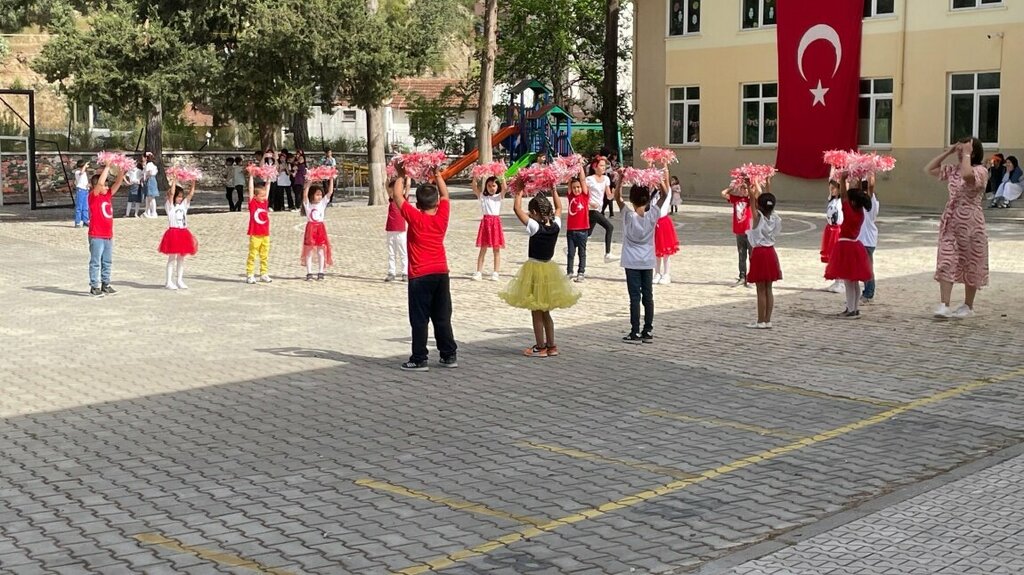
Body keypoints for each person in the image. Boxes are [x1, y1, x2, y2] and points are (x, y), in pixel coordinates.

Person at [499, 186, 580, 358]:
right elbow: (559, 208)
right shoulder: (556, 225)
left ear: (535, 212)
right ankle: (552, 345)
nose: (529, 214)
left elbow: (516, 209)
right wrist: (554, 190)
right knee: (546, 311)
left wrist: (519, 191)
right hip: (549, 268)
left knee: (536, 310)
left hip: (535, 269)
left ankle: (540, 346)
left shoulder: (535, 226)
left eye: (530, 212)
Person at [391, 163, 458, 372]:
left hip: (420, 275)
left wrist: (401, 174)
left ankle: (419, 358)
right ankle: (448, 355)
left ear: (418, 204)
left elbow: (397, 197)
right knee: (442, 316)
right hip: (441, 272)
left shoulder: (416, 217)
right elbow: (446, 196)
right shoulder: (442, 216)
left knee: (419, 319)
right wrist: (437, 174)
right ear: (436, 202)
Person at [925, 137, 989, 319]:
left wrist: (968, 154)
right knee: (946, 259)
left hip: (971, 224)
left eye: (964, 150)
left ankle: (968, 305)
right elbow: (929, 168)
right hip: (951, 222)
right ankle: (944, 304)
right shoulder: (953, 170)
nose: (960, 153)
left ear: (973, 152)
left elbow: (968, 176)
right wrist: (949, 152)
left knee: (971, 262)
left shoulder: (981, 170)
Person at [613, 169, 669, 343]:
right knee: (648, 296)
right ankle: (648, 330)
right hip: (647, 261)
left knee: (634, 297)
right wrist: (658, 179)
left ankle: (634, 331)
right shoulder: (653, 214)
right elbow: (664, 195)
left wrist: (621, 179)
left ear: (633, 200)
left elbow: (617, 198)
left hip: (631, 261)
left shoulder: (628, 215)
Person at [823, 173, 874, 319]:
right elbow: (856, 195)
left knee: (849, 281)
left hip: (846, 246)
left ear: (852, 201)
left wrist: (843, 178)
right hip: (854, 245)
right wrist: (858, 180)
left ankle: (851, 309)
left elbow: (845, 195)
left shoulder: (849, 210)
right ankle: (854, 308)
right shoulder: (860, 212)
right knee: (854, 282)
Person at [86, 161, 127, 296]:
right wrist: (107, 167)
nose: (106, 187)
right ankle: (94, 286)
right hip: (96, 235)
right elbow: (99, 184)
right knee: (96, 261)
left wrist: (122, 171)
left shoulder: (107, 196)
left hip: (108, 235)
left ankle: (106, 284)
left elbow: (117, 184)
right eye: (104, 185)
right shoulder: (94, 197)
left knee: (107, 261)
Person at [745, 187, 782, 329]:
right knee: (769, 289)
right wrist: (767, 183)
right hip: (771, 253)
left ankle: (760, 321)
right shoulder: (774, 218)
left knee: (760, 289)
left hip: (760, 253)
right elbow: (767, 198)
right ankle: (768, 319)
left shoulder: (757, 218)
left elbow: (753, 200)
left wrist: (750, 187)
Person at [158, 174, 198, 290]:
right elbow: (171, 193)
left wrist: (193, 182)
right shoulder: (170, 206)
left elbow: (191, 194)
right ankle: (169, 281)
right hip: (173, 233)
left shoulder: (184, 205)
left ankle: (179, 280)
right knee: (172, 258)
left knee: (181, 258)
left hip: (183, 232)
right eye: (178, 197)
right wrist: (174, 180)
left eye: (181, 197)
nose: (180, 198)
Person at [472, 174, 506, 281]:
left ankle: (496, 272)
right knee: (483, 248)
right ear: (486, 186)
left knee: (496, 250)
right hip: (486, 223)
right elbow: (474, 187)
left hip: (495, 223)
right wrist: (475, 177)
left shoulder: (499, 197)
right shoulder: (483, 197)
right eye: (489, 186)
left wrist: (502, 176)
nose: (491, 188)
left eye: (494, 186)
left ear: (497, 187)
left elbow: (505, 188)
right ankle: (479, 272)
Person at [300, 176, 335, 281]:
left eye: (320, 195)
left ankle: (321, 271)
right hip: (311, 228)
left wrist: (331, 179)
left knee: (321, 250)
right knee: (309, 251)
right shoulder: (308, 205)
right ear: (312, 195)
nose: (320, 197)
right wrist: (309, 184)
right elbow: (305, 195)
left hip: (320, 228)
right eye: (317, 195)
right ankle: (309, 272)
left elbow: (330, 192)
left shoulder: (322, 203)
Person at [721, 180, 753, 287]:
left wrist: (750, 186)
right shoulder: (736, 199)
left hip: (750, 231)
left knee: (752, 255)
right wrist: (733, 187)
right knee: (741, 255)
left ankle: (752, 276)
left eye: (745, 188)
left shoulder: (750, 200)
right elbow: (723, 193)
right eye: (742, 188)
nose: (743, 190)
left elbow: (757, 193)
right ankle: (742, 276)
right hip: (739, 231)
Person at [586, 156, 616, 262]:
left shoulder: (606, 179)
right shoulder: (589, 179)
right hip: (590, 209)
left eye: (605, 166)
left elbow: (609, 196)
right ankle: (608, 254)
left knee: (587, 233)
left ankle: (572, 247)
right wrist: (590, 202)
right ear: (595, 166)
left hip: (598, 209)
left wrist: (615, 190)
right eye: (601, 166)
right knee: (610, 227)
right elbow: (582, 195)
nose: (604, 168)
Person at [245, 169, 273, 285]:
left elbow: (268, 188)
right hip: (255, 234)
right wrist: (251, 176)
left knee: (264, 255)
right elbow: (251, 190)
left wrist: (269, 176)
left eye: (265, 195)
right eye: (261, 196)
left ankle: (264, 273)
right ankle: (250, 274)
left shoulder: (265, 203)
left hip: (265, 234)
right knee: (252, 254)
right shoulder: (253, 204)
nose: (264, 197)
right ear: (255, 197)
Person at [565, 169, 590, 282]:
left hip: (583, 230)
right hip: (571, 231)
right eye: (574, 187)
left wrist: (580, 167)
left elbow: (583, 180)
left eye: (578, 187)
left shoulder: (585, 196)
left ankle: (581, 272)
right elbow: (570, 180)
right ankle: (569, 272)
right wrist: (571, 167)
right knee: (570, 253)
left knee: (582, 253)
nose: (576, 189)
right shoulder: (570, 196)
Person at [653, 179, 679, 285]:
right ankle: (657, 273)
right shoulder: (653, 194)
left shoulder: (667, 194)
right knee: (656, 251)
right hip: (654, 223)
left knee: (666, 252)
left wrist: (664, 165)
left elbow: (666, 182)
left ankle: (667, 273)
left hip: (664, 223)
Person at [821, 180, 845, 294]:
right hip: (830, 230)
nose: (832, 190)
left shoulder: (842, 201)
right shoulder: (832, 200)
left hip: (838, 230)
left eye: (834, 188)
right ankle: (836, 280)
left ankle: (841, 282)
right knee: (832, 256)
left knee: (838, 256)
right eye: (830, 188)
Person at [385, 175, 409, 282]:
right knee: (391, 252)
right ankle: (391, 272)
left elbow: (408, 185)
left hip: (401, 230)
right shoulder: (391, 199)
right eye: (391, 189)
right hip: (390, 229)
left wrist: (407, 177)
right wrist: (388, 176)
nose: (392, 191)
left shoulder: (403, 199)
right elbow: (386, 185)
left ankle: (405, 272)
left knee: (403, 252)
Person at [859, 175, 880, 304]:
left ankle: (869, 293)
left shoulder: (871, 202)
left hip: (868, 240)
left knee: (867, 268)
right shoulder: (860, 202)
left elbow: (871, 186)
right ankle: (865, 291)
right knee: (862, 267)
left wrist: (871, 172)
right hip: (861, 239)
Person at [72, 160, 91, 228]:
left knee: (85, 207)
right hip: (80, 190)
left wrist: (88, 185)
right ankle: (77, 222)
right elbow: (81, 172)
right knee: (79, 207)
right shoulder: (77, 172)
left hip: (86, 190)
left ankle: (85, 221)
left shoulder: (85, 173)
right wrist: (85, 166)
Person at [142, 152, 160, 218]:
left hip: (150, 180)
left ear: (146, 158)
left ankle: (154, 212)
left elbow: (149, 172)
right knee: (148, 197)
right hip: (151, 180)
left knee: (151, 197)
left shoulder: (149, 164)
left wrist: (145, 178)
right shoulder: (151, 164)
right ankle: (147, 212)